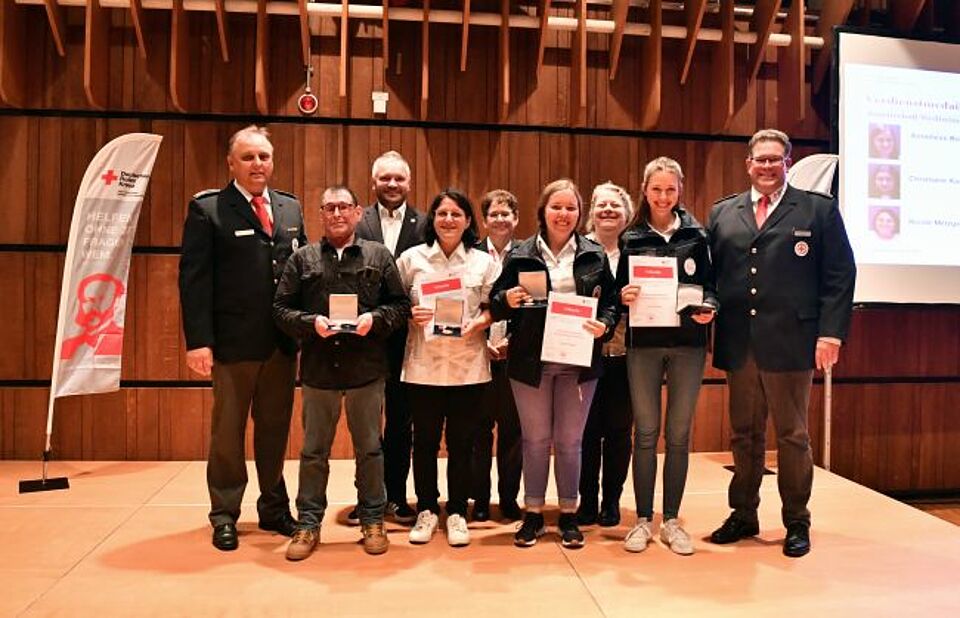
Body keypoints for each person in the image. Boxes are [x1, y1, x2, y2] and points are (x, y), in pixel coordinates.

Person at [707, 129, 856, 558]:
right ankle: (743, 514)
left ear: (787, 162)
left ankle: (796, 521)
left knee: (792, 436)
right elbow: (711, 278)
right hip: (740, 343)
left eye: (776, 159)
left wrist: (830, 334)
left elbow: (839, 276)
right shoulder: (724, 213)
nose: (767, 167)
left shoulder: (817, 211)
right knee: (744, 435)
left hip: (793, 341)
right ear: (748, 164)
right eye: (760, 160)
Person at [178, 125, 307, 551]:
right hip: (232, 346)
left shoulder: (289, 209)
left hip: (281, 346)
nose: (258, 165)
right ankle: (224, 514)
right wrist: (199, 341)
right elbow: (194, 281)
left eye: (264, 157)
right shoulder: (210, 210)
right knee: (228, 435)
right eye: (248, 157)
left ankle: (273, 508)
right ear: (231, 162)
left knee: (274, 432)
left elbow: (302, 273)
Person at [273, 185, 411, 560]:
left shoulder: (379, 255)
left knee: (370, 449)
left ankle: (372, 519)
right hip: (319, 370)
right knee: (313, 452)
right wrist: (310, 322)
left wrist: (374, 319)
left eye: (344, 207)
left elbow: (400, 306)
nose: (336, 213)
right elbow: (281, 309)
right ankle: (308, 524)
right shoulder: (302, 259)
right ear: (321, 213)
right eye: (329, 207)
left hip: (367, 369)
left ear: (357, 212)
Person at [489, 179, 619, 549]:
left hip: (579, 361)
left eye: (571, 208)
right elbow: (495, 300)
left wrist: (604, 326)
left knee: (569, 441)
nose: (563, 214)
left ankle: (567, 514)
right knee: (534, 440)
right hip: (531, 361)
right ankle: (532, 515)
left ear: (580, 213)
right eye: (556, 207)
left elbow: (610, 304)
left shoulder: (593, 254)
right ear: (543, 211)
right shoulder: (520, 253)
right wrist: (507, 299)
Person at [617, 158, 717, 555]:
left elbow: (711, 286)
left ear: (680, 190)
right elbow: (616, 294)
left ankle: (671, 520)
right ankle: (642, 520)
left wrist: (710, 305)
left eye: (670, 190)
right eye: (656, 189)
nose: (663, 197)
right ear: (644, 190)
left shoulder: (698, 235)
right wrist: (623, 298)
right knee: (644, 433)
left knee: (678, 435)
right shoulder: (630, 238)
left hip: (688, 344)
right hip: (643, 345)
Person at [396, 189, 501, 547]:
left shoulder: (483, 262)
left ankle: (457, 510)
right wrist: (411, 313)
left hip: (468, 366)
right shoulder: (411, 260)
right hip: (423, 366)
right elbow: (394, 305)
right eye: (442, 214)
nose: (448, 220)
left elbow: (495, 307)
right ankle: (427, 508)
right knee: (423, 442)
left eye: (457, 214)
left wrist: (479, 324)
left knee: (463, 443)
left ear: (469, 221)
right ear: (432, 219)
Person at [354, 150, 427, 524]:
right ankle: (367, 496)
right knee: (365, 422)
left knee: (401, 422)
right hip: (364, 340)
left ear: (409, 183)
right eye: (385, 178)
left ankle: (396, 496)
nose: (393, 184)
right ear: (373, 183)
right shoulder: (357, 221)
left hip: (409, 341)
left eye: (399, 178)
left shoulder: (425, 224)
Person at [576, 182, 634, 528]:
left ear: (626, 213)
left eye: (615, 205)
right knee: (584, 431)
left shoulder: (638, 251)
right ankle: (587, 501)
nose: (608, 210)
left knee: (618, 430)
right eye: (601, 205)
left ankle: (611, 500)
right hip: (584, 354)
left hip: (628, 356)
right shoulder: (579, 252)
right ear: (591, 213)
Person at [470, 189, 523, 523]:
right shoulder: (471, 254)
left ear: (516, 219)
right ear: (485, 220)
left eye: (507, 213)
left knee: (513, 432)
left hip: (517, 356)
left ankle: (507, 498)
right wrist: (480, 340)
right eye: (494, 214)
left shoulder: (529, 255)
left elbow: (535, 307)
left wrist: (514, 341)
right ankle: (479, 500)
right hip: (478, 354)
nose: (501, 219)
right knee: (478, 432)